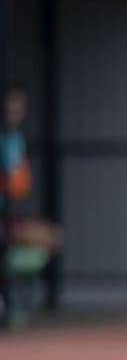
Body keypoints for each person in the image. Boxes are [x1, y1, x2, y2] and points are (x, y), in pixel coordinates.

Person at [2, 86, 64, 322]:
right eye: (10, 107)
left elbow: (19, 183)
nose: (14, 113)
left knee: (52, 238)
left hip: (10, 213)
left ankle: (11, 298)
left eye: (19, 108)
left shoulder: (15, 139)